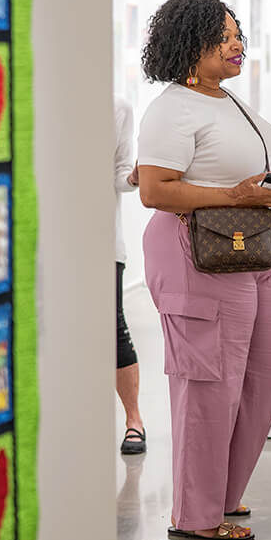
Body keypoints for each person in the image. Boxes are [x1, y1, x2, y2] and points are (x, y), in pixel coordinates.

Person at [137, 0, 271, 540]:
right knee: (209, 384)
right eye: (223, 36)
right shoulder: (172, 107)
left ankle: (221, 492)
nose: (236, 44)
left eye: (237, 34)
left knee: (270, 372)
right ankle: (197, 515)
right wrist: (236, 194)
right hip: (196, 253)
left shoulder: (227, 100)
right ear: (190, 43)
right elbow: (154, 190)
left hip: (251, 249)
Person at [114, 95, 146, 455]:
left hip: (105, 242)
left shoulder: (117, 108)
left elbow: (120, 175)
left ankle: (134, 419)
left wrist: (133, 177)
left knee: (113, 327)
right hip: (49, 244)